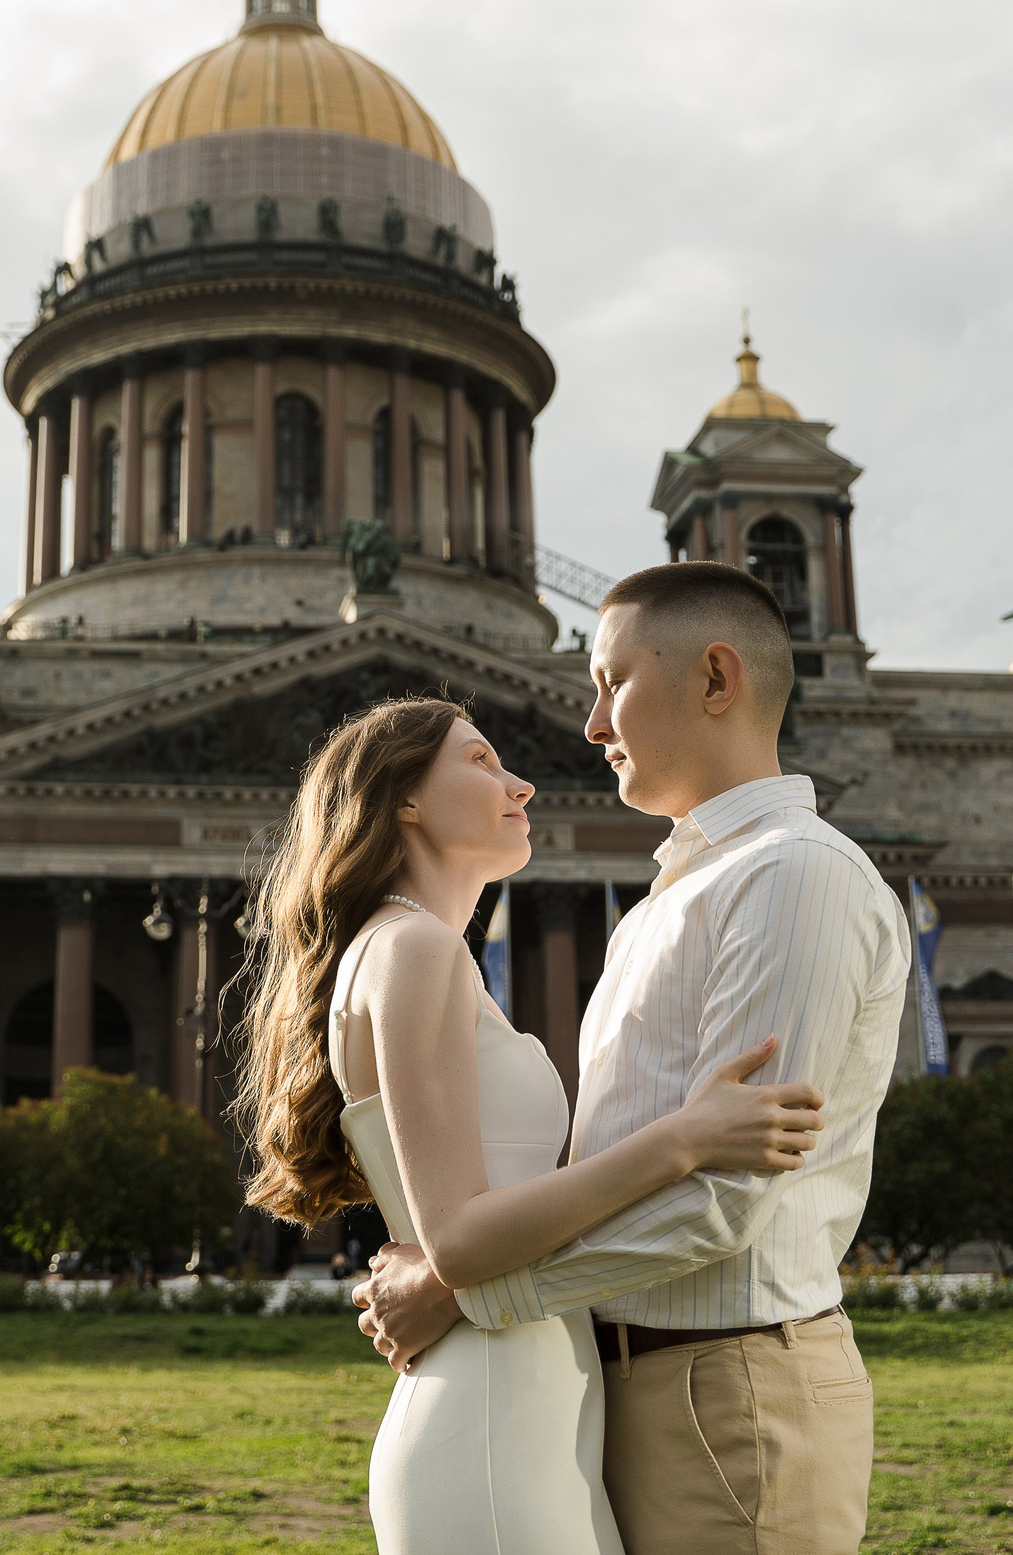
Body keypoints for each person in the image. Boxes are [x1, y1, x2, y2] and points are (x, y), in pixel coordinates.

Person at [351, 563, 909, 1554]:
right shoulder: (665, 905)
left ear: (716, 678)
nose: (591, 723)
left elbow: (724, 1200)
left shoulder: (793, 876)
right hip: (619, 1387)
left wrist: (467, 1286)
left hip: (728, 1388)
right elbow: (618, 1166)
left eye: (612, 682)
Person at [234, 686, 826, 1555]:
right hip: (493, 1417)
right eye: (480, 761)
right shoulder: (415, 948)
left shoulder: (402, 949)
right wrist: (687, 1136)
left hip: (518, 1407)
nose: (522, 784)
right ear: (402, 798)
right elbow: (460, 1240)